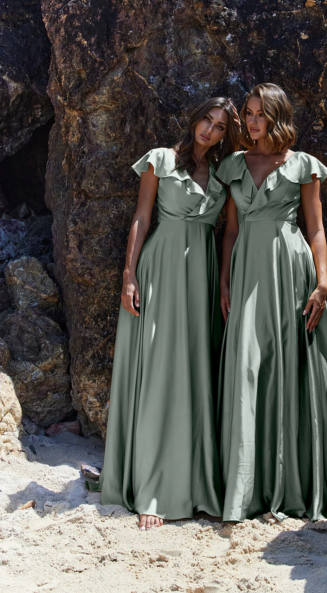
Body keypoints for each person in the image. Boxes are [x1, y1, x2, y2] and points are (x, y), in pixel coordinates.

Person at [85, 97, 241, 530]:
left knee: (195, 375)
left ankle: (196, 486)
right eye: (206, 121)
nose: (209, 131)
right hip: (159, 269)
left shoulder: (226, 176)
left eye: (220, 127)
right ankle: (153, 487)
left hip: (202, 279)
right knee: (158, 372)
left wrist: (225, 282)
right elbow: (141, 217)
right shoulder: (160, 160)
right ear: (194, 120)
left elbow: (230, 232)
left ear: (228, 135)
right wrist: (129, 274)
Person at [216, 83, 327, 523]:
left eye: (260, 115)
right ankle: (245, 489)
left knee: (290, 371)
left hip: (292, 273)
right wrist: (224, 280)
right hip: (248, 272)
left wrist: (323, 283)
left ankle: (291, 486)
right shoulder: (234, 163)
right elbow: (230, 231)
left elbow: (316, 230)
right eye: (248, 114)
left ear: (277, 117)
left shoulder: (304, 166)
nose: (252, 123)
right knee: (247, 369)